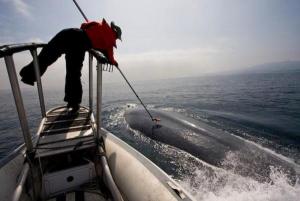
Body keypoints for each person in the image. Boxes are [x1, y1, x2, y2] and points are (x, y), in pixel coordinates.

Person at [19, 19, 122, 112]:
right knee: (73, 73)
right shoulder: (109, 43)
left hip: (70, 33)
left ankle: (28, 76)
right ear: (116, 36)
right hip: (81, 45)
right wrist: (114, 63)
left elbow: (83, 25)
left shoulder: (99, 24)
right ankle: (73, 103)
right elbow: (111, 58)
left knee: (46, 56)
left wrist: (92, 31)